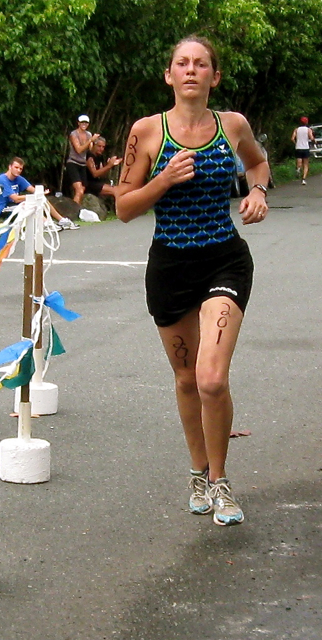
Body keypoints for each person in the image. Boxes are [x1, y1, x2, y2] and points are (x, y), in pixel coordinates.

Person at [116, 35, 270, 526]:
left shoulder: (232, 125)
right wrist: (162, 181)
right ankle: (198, 471)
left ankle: (221, 482)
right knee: (186, 379)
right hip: (170, 268)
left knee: (211, 377)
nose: (190, 70)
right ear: (168, 75)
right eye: (181, 63)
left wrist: (258, 191)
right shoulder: (147, 131)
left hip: (224, 260)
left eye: (200, 64)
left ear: (214, 76)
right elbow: (122, 207)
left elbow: (259, 162)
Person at [0, 157, 79, 230]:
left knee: (41, 198)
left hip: (15, 206)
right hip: (2, 209)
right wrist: (36, 195)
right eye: (16, 167)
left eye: (20, 169)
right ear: (10, 167)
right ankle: (46, 224)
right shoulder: (2, 179)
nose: (18, 170)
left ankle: (62, 220)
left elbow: (33, 190)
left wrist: (41, 193)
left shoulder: (18, 178)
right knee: (29, 204)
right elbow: (16, 198)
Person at [66, 115, 100, 204]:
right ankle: (73, 212)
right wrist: (90, 140)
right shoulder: (74, 134)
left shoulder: (88, 134)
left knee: (82, 191)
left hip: (82, 164)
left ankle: (77, 210)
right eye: (82, 122)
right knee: (79, 190)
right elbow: (79, 149)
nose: (84, 124)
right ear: (78, 123)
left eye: (86, 123)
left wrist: (94, 142)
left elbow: (91, 150)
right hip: (73, 163)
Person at [291, 117, 314, 185]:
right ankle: (303, 179)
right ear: (306, 122)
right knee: (306, 164)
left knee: (299, 161)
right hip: (305, 148)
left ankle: (298, 169)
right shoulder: (308, 129)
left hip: (298, 148)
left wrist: (296, 143)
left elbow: (292, 138)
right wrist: (314, 140)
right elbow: (311, 137)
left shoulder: (296, 129)